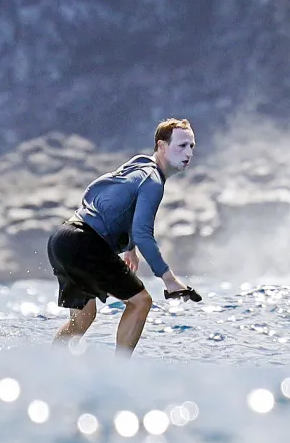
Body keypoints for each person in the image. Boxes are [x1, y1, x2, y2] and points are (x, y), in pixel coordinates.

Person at [46, 118, 202, 357]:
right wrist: (168, 279)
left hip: (63, 238)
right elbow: (142, 233)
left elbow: (117, 199)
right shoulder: (153, 181)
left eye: (192, 146)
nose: (188, 152)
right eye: (181, 146)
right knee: (141, 302)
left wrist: (129, 249)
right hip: (84, 242)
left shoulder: (140, 163)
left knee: (83, 317)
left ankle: (47, 364)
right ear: (161, 146)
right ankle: (118, 376)